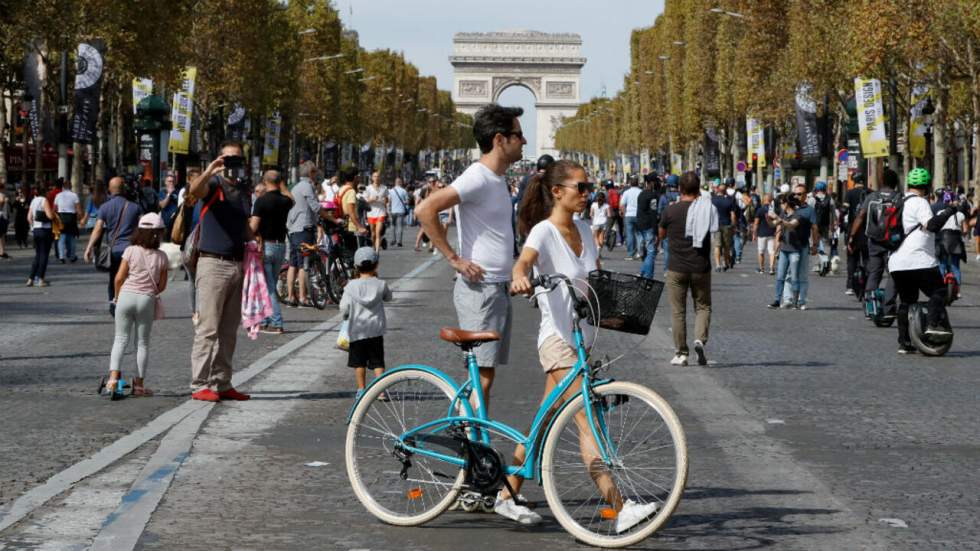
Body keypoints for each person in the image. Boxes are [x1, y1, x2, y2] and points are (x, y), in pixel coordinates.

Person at [415, 103, 524, 412]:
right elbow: (424, 210)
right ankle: (471, 449)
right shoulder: (477, 176)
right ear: (500, 139)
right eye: (519, 135)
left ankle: (472, 445)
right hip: (481, 291)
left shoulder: (496, 178)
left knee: (484, 376)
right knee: (481, 378)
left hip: (496, 288)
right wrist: (454, 258)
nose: (524, 141)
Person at [185, 140, 255, 402]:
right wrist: (210, 169)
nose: (231, 163)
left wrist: (254, 243)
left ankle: (222, 381)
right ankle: (199, 383)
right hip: (212, 263)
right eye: (227, 158)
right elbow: (194, 191)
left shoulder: (243, 191)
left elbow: (244, 224)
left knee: (228, 330)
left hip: (237, 264)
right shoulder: (213, 184)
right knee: (208, 328)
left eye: (235, 158)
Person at [889, 168, 960, 353]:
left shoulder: (898, 201)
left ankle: (904, 343)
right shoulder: (919, 202)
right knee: (940, 292)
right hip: (919, 260)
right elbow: (933, 226)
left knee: (906, 301)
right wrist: (950, 210)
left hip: (896, 262)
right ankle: (932, 324)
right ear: (926, 186)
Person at [104, 212, 169, 397]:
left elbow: (118, 278)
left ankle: (113, 380)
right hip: (146, 299)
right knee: (142, 343)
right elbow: (162, 286)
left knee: (120, 339)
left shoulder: (131, 250)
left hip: (126, 296)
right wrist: (149, 291)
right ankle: (139, 385)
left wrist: (117, 298)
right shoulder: (162, 256)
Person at [659, 171, 713, 366]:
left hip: (676, 267)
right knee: (703, 306)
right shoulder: (706, 209)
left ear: (679, 189)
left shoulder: (670, 211)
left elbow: (661, 234)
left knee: (678, 311)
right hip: (701, 266)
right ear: (698, 189)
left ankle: (681, 353)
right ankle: (700, 339)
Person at [340, 247, 392, 399]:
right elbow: (389, 297)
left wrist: (345, 316)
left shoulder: (350, 286)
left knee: (359, 362)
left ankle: (362, 389)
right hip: (376, 330)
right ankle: (381, 390)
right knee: (378, 362)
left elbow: (344, 307)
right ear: (376, 265)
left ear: (356, 267)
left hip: (357, 330)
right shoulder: (381, 284)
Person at [84, 176, 141, 315]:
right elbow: (141, 229)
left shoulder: (104, 207)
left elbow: (97, 229)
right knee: (130, 279)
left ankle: (114, 305)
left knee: (114, 278)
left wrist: (89, 247)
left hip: (114, 250)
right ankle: (129, 305)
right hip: (131, 251)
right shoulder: (135, 207)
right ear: (124, 189)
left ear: (110, 190)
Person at [249, 169, 294, 334]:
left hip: (266, 247)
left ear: (264, 181)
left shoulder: (261, 201)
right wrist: (282, 185)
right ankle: (266, 319)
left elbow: (253, 227)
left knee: (268, 287)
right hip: (281, 246)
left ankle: (277, 322)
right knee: (270, 284)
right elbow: (292, 199)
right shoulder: (285, 201)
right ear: (279, 182)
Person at [850, 168, 899, 313]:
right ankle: (888, 305)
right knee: (893, 274)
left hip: (874, 240)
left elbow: (860, 216)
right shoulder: (899, 197)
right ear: (896, 183)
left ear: (882, 181)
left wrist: (852, 236)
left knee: (874, 273)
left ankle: (869, 306)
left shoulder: (872, 197)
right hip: (893, 243)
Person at [285, 161, 324, 308]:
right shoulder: (307, 186)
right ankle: (302, 297)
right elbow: (315, 207)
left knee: (293, 264)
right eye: (315, 172)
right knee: (303, 264)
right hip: (304, 228)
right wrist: (328, 218)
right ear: (310, 173)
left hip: (294, 228)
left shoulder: (296, 186)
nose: (316, 174)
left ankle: (290, 297)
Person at [770, 191, 812, 309]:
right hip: (784, 249)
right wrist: (769, 218)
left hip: (795, 250)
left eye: (782, 203)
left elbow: (791, 225)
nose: (781, 205)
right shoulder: (783, 214)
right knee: (780, 276)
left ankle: (795, 302)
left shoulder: (798, 215)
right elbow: (774, 225)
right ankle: (777, 300)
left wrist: (777, 218)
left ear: (787, 204)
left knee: (794, 277)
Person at [843, 172, 869, 294]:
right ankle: (869, 284)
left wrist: (841, 223)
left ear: (854, 181)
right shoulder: (871, 192)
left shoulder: (850, 193)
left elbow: (844, 210)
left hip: (853, 229)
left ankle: (850, 285)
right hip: (869, 230)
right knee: (868, 258)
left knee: (852, 258)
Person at [26, 186, 56, 286]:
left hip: (36, 230)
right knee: (44, 255)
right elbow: (50, 216)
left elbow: (29, 217)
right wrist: (53, 212)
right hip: (45, 230)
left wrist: (33, 227)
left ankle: (30, 279)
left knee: (38, 255)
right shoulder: (44, 200)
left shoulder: (33, 201)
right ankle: (40, 279)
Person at [809, 181, 837, 274]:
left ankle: (816, 265)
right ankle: (825, 263)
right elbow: (833, 214)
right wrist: (833, 225)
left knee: (814, 243)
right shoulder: (830, 199)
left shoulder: (812, 199)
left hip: (814, 226)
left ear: (816, 189)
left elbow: (809, 213)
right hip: (826, 225)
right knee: (826, 245)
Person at [636, 176, 659, 278]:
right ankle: (648, 275)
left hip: (640, 224)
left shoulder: (641, 194)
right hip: (649, 225)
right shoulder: (653, 196)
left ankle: (643, 271)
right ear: (652, 183)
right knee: (651, 252)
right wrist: (656, 231)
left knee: (648, 251)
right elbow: (653, 213)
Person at [711, 180, 737, 271]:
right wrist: (734, 226)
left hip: (715, 225)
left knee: (717, 246)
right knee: (726, 246)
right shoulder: (729, 200)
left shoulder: (713, 200)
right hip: (727, 225)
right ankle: (725, 263)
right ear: (726, 190)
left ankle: (718, 265)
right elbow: (733, 215)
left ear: (718, 190)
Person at [53, 182, 83, 262]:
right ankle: (72, 256)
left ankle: (61, 256)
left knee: (61, 238)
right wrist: (81, 219)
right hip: (71, 218)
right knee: (72, 238)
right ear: (71, 187)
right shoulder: (74, 195)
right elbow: (79, 209)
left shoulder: (58, 195)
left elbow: (55, 208)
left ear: (63, 187)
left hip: (61, 217)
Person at [364, 171, 388, 252]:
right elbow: (366, 200)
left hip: (381, 212)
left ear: (380, 178)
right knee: (373, 233)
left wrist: (384, 202)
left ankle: (377, 251)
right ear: (372, 178)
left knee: (378, 233)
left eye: (378, 176)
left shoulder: (384, 188)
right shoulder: (368, 188)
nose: (376, 178)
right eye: (375, 176)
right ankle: (373, 248)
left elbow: (386, 200)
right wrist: (372, 199)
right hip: (371, 213)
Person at [753, 193, 777, 274]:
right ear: (771, 200)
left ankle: (761, 268)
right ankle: (771, 268)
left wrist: (754, 234)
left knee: (761, 251)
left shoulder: (760, 210)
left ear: (764, 199)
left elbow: (756, 223)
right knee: (772, 251)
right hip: (772, 233)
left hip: (761, 233)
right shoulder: (773, 210)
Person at [619, 177, 642, 260]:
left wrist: (624, 213)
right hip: (639, 215)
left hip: (629, 215)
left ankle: (630, 254)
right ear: (638, 183)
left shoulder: (626, 192)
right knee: (639, 234)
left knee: (630, 235)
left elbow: (622, 204)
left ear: (630, 184)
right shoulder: (641, 192)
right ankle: (640, 253)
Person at [387, 176, 410, 247]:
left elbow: (389, 201)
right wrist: (403, 202)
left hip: (393, 211)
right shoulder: (404, 191)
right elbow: (407, 201)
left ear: (395, 182)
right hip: (401, 211)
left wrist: (389, 209)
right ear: (401, 182)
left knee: (392, 226)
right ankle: (399, 241)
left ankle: (393, 240)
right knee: (400, 226)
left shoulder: (391, 191)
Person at [159, 174, 179, 240]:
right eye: (169, 181)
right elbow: (162, 205)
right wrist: (169, 194)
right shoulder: (162, 192)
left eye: (173, 181)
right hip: (166, 223)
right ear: (165, 182)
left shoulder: (178, 192)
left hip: (176, 223)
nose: (171, 183)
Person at [0, 181, 9, 259]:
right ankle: (2, 252)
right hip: (1, 216)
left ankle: (2, 251)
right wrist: (4, 201)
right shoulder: (2, 195)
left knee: (2, 235)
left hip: (3, 216)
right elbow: (1, 202)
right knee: (2, 234)